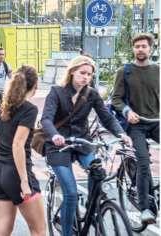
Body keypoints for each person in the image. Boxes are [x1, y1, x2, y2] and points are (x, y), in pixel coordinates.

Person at [41, 56, 132, 236]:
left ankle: (92, 206)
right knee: (71, 194)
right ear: (72, 72)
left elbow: (106, 117)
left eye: (89, 74)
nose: (85, 77)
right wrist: (55, 135)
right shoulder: (57, 92)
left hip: (82, 142)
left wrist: (121, 133)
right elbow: (46, 119)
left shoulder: (91, 94)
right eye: (82, 73)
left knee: (98, 170)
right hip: (59, 146)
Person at [0, 65, 45, 236]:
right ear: (34, 86)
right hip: (16, 174)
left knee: (3, 229)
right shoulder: (29, 109)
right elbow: (17, 144)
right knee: (39, 230)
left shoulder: (5, 107)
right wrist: (24, 181)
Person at [111, 33, 160, 224]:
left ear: (151, 49)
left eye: (144, 46)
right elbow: (115, 99)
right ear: (133, 49)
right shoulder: (125, 71)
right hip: (136, 125)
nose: (140, 49)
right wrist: (126, 111)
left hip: (156, 122)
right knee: (143, 163)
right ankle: (145, 209)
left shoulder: (157, 70)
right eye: (137, 46)